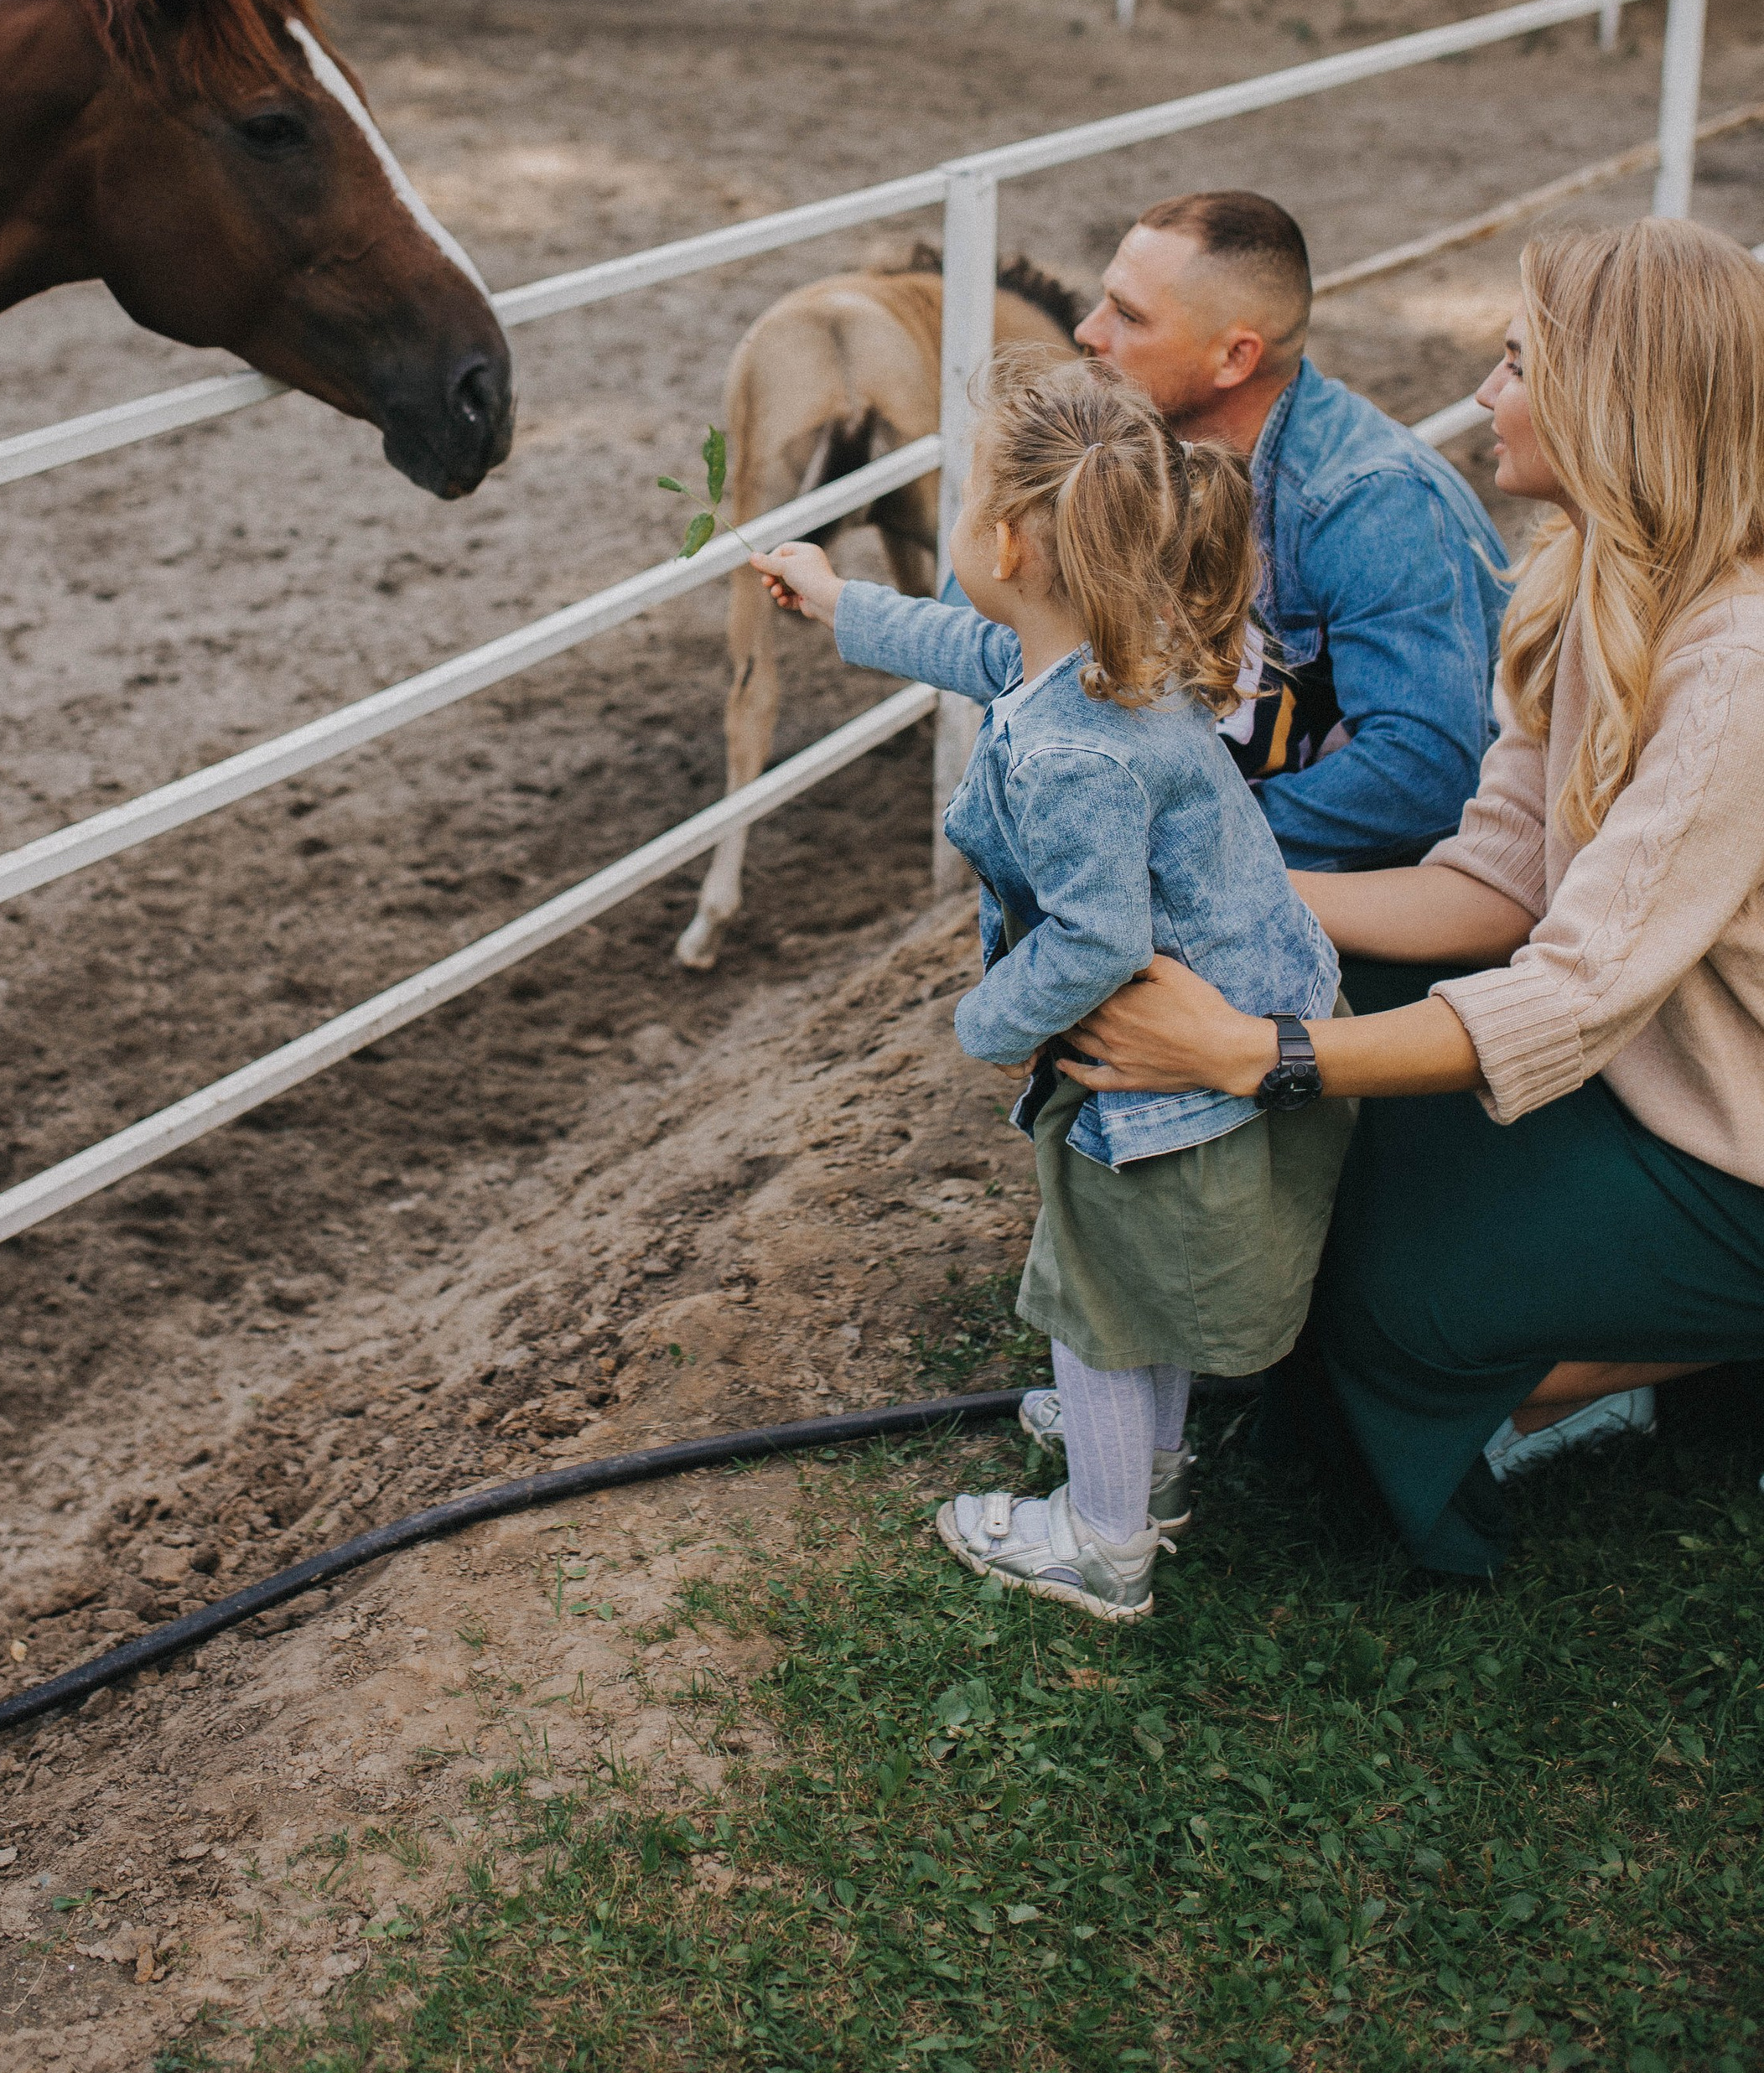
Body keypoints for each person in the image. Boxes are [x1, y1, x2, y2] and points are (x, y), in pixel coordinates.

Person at [1047, 219, 1764, 1578]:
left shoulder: (1738, 672)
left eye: (1514, 365)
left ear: (1619, 404)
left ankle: (1677, 1355)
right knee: (1335, 1140)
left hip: (1736, 1140)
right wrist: (1212, 907)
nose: (1484, 396)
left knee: (1394, 1312)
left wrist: (1253, 1057)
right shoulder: (1586, 583)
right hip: (1636, 1062)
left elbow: (1570, 989)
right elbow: (1489, 884)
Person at [750, 350, 1356, 1623]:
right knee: (1150, 1281)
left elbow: (1092, 942)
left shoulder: (1074, 752)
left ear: (1014, 541)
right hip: (1250, 1027)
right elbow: (972, 645)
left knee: (1098, 1294)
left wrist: (988, 1022)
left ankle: (1102, 1540)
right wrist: (835, 598)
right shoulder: (1113, 653)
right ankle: (1153, 1462)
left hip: (1160, 1073)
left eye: (967, 499)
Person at [1075, 191, 1509, 877]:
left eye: (1128, 315)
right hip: (1275, 855)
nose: (1089, 331)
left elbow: (1424, 771)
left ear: (1234, 358)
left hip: (1395, 892)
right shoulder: (1162, 446)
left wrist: (1183, 846)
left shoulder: (1368, 503)